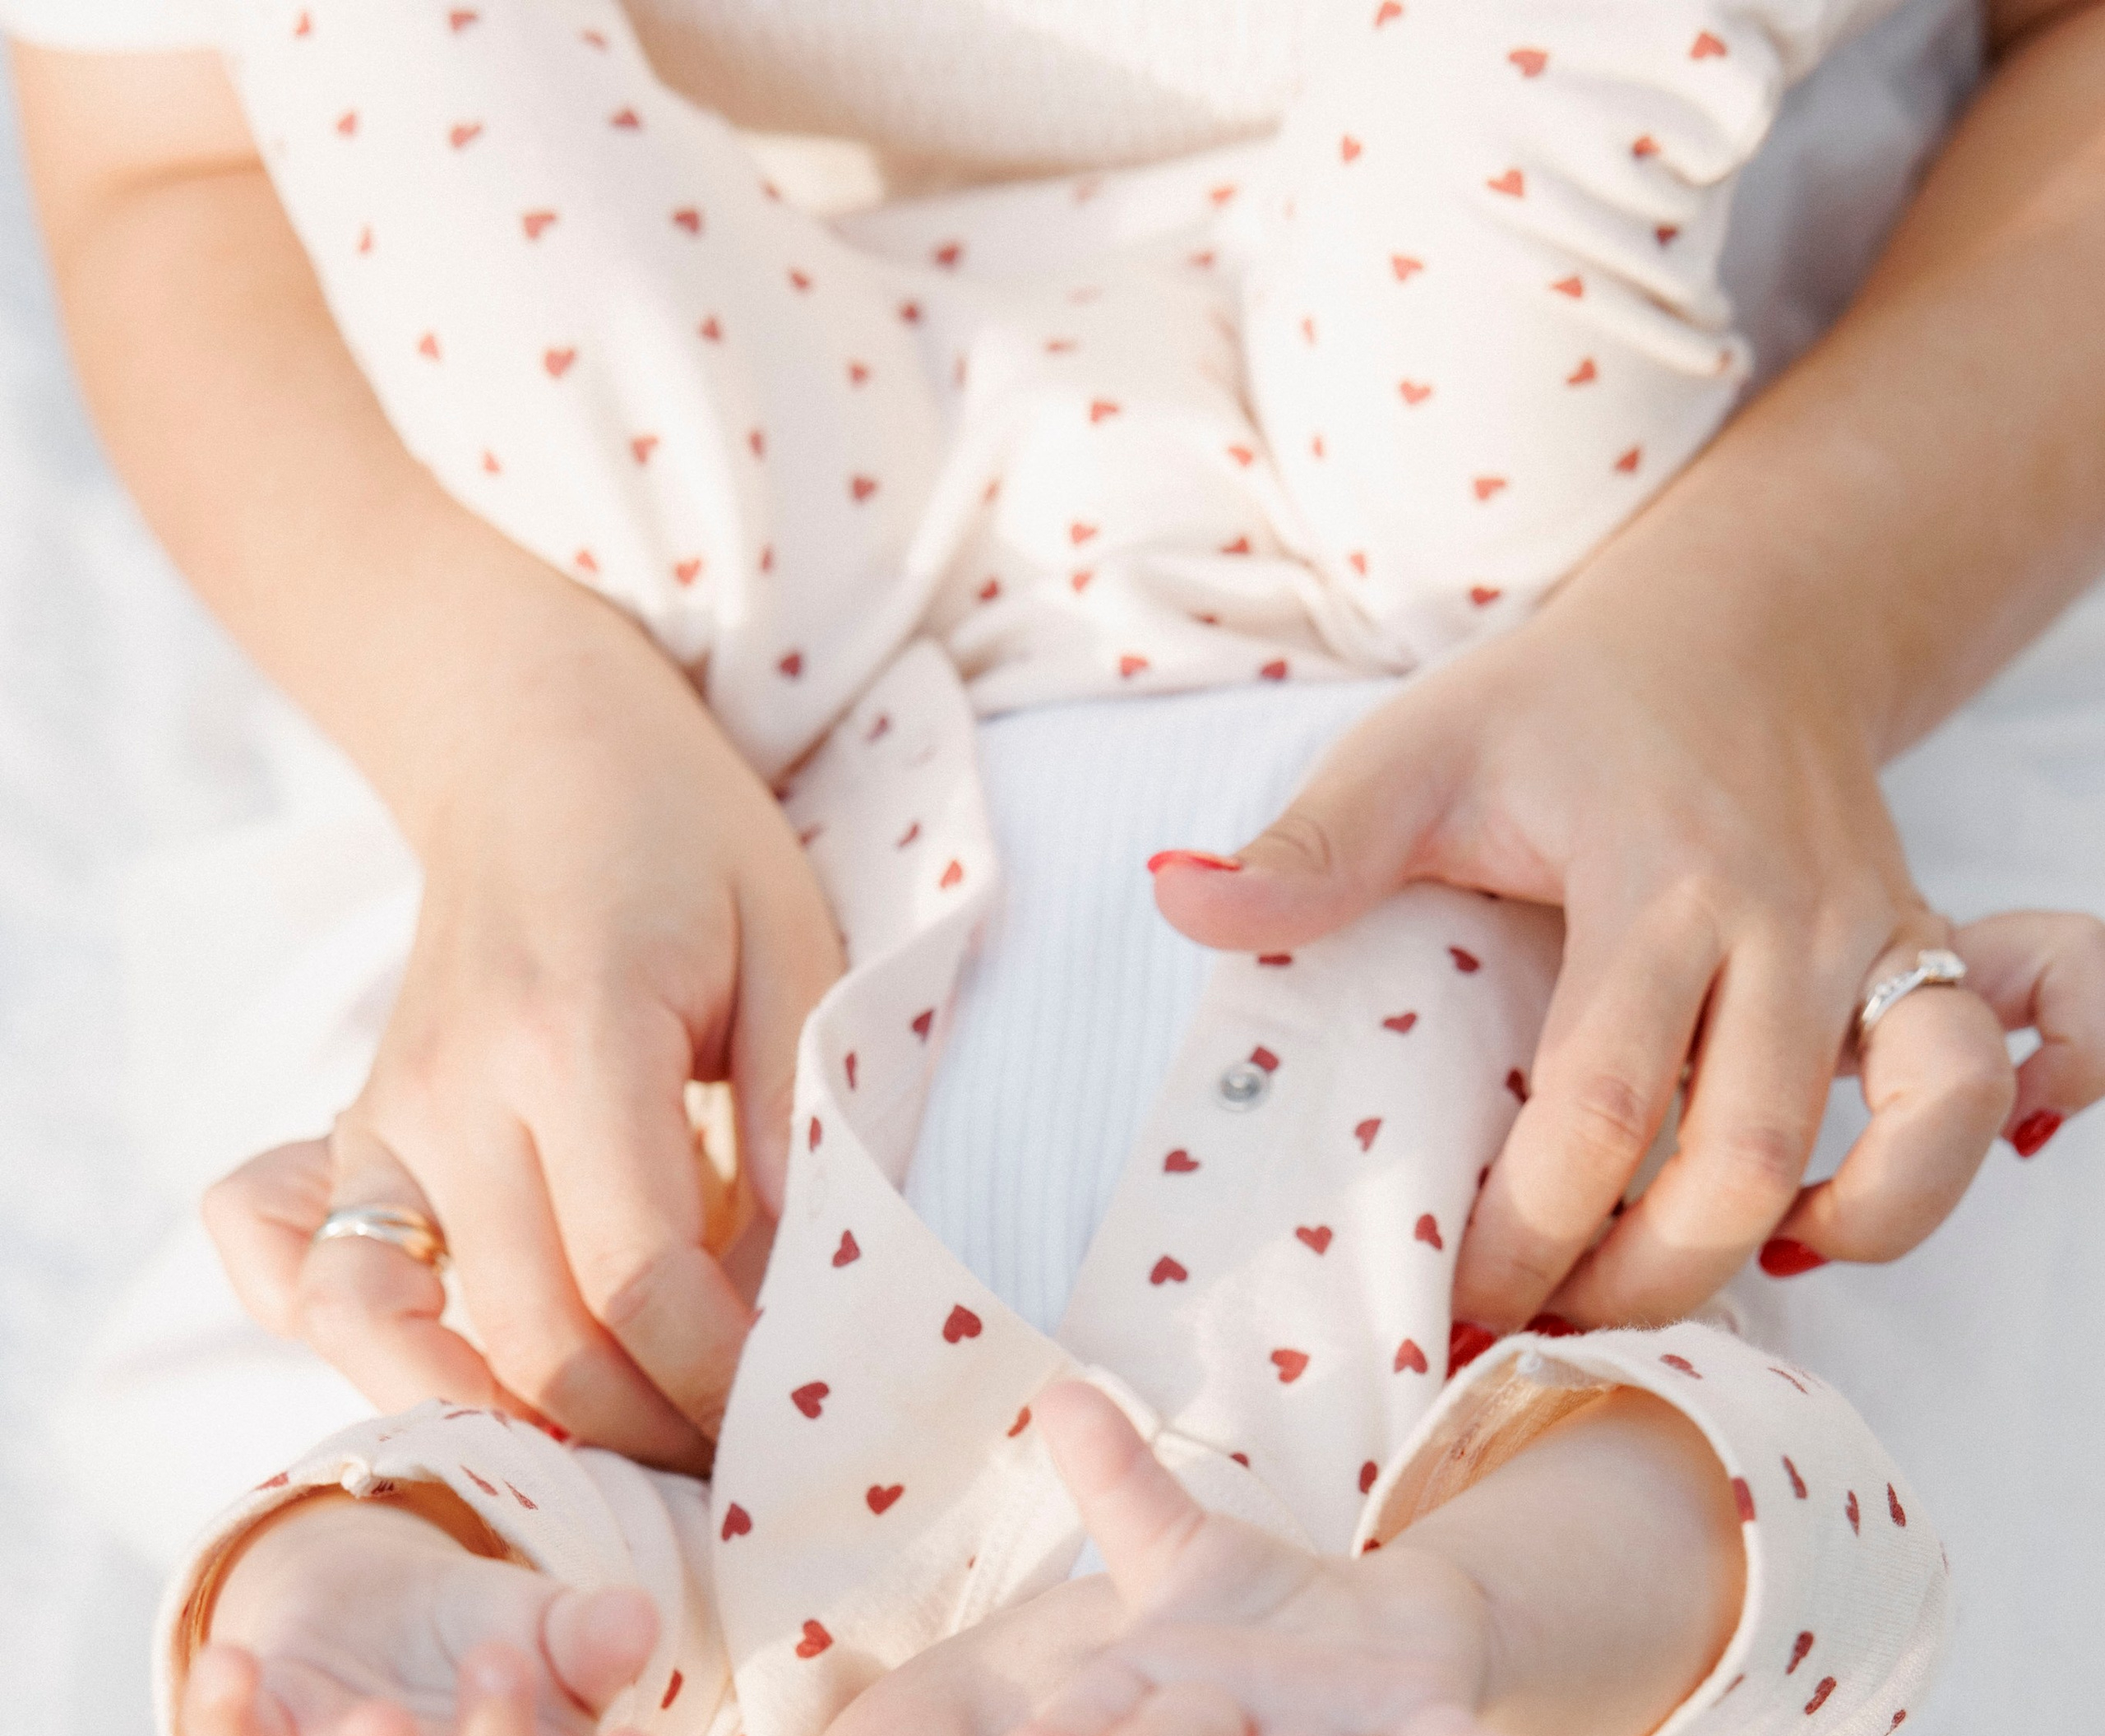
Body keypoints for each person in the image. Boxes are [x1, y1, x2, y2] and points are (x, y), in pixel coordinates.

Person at [14, 0, 2105, 1488]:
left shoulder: (750, 1699)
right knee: (1484, 299)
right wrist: (1789, 681)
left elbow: (169, 162)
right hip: (1476, 606)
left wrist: (513, 756)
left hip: (793, 634)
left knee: (578, 383)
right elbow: (1768, 1542)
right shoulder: (1467, 1701)